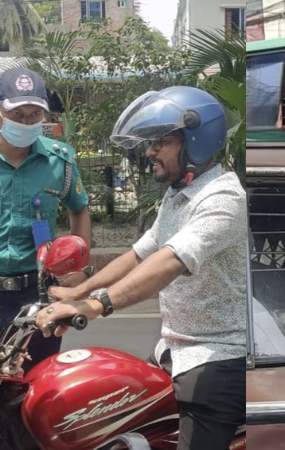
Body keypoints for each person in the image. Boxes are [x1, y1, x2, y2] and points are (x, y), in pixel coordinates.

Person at [36, 86, 246, 450]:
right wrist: (78, 289)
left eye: (160, 141)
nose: (149, 152)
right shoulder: (178, 195)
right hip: (173, 351)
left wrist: (94, 305)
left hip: (217, 359)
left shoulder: (224, 198)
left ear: (195, 140)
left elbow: (169, 261)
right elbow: (139, 253)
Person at [0, 67, 92, 372]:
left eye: (34, 115)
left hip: (39, 292)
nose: (27, 123)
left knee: (37, 380)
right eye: (17, 115)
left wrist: (78, 270)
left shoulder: (59, 161)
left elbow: (79, 208)